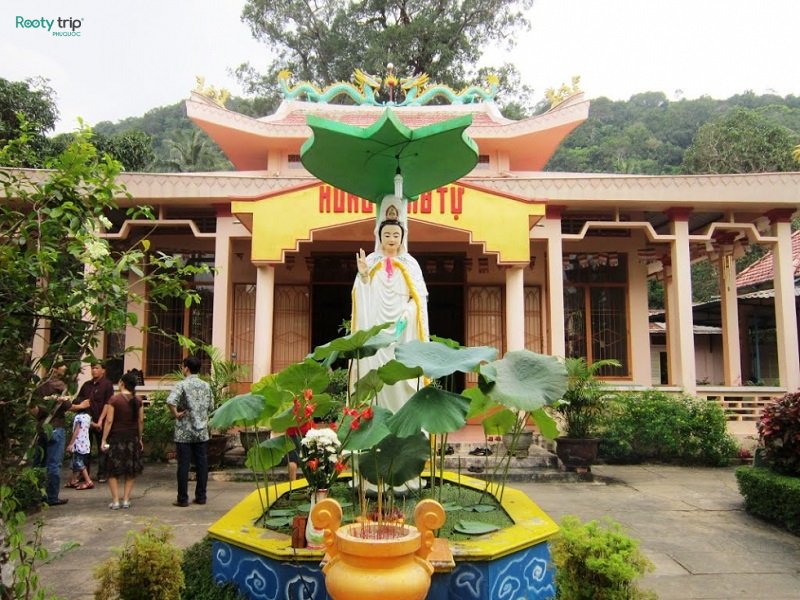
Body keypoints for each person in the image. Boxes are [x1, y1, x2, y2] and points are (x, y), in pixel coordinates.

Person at [352, 195, 429, 413]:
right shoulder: (371, 261)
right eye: (387, 234)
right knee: (376, 371)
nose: (392, 238)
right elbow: (362, 295)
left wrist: (408, 312)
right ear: (379, 236)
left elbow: (419, 298)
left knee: (400, 372)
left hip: (403, 328)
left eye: (396, 234)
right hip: (377, 325)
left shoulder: (410, 264)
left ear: (402, 237)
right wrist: (364, 276)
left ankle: (403, 420)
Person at [166, 356, 213, 507]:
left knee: (184, 465)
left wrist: (176, 414)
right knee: (202, 464)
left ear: (186, 368)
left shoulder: (182, 384)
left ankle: (183, 498)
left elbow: (170, 400)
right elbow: (211, 406)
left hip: (184, 431)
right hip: (201, 431)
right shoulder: (206, 385)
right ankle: (201, 496)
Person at [29, 364, 71, 506]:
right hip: (56, 427)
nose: (64, 370)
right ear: (55, 369)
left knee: (39, 462)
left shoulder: (39, 385)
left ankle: (35, 494)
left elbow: (34, 409)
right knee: (53, 464)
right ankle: (52, 496)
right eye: (62, 368)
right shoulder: (59, 385)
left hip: (42, 427)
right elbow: (68, 406)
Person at [100, 371, 143, 509]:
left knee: (113, 469)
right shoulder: (138, 400)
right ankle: (126, 500)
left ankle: (115, 501)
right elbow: (140, 420)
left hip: (117, 438)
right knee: (130, 469)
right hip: (132, 438)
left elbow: (109, 420)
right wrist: (140, 438)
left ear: (122, 383)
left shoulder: (115, 399)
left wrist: (104, 439)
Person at [72, 361, 114, 483]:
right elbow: (79, 400)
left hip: (101, 420)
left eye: (96, 368)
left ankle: (103, 473)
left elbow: (108, 403)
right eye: (92, 368)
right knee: (84, 448)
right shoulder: (86, 385)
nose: (94, 370)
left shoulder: (107, 385)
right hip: (86, 421)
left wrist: (100, 420)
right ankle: (84, 473)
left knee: (103, 447)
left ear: (103, 370)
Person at [65, 401, 94, 490]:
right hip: (85, 443)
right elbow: (91, 425)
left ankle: (88, 481)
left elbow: (76, 431)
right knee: (75, 462)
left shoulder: (78, 417)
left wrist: (70, 444)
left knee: (78, 462)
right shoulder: (88, 417)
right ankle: (74, 480)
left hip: (78, 443)